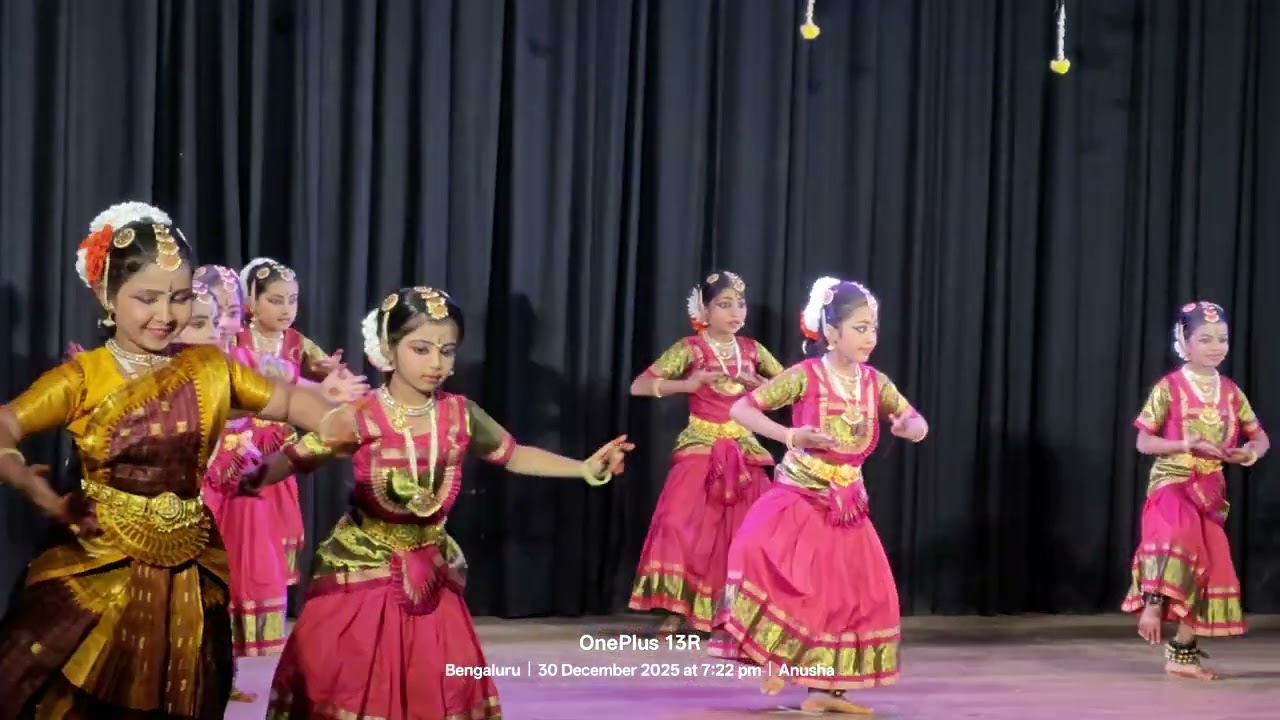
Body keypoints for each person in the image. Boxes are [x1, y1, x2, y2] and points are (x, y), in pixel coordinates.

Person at [0, 202, 357, 719]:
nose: (165, 315)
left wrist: (328, 419)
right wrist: (35, 488)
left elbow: (284, 398)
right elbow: (7, 423)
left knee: (184, 694)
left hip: (190, 565)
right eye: (147, 298)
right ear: (107, 296)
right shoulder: (85, 377)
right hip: (101, 562)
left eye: (180, 297)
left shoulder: (209, 367)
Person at [252, 287, 634, 720]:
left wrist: (582, 468)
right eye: (421, 349)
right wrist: (249, 480)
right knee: (350, 680)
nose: (436, 363)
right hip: (362, 569)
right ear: (389, 350)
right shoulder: (361, 415)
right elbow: (299, 456)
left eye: (447, 351)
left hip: (430, 570)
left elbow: (514, 454)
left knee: (438, 686)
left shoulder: (460, 414)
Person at [710, 277, 928, 715]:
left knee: (855, 598)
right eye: (860, 328)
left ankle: (825, 692)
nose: (870, 338)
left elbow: (916, 421)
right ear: (831, 332)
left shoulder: (875, 383)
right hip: (799, 499)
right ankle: (777, 658)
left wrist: (911, 429)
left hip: (847, 507)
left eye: (873, 328)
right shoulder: (805, 376)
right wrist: (790, 435)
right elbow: (741, 408)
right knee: (789, 580)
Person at [627, 271, 785, 635]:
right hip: (700, 443)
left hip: (744, 446)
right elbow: (639, 385)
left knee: (748, 528)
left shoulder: (753, 350)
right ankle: (678, 606)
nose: (735, 312)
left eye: (740, 304)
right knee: (680, 523)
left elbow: (795, 388)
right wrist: (688, 384)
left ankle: (736, 611)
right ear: (705, 310)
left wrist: (759, 385)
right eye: (724, 304)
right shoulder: (690, 348)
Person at [1121, 301, 1268, 680]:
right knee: (1177, 533)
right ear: (1184, 343)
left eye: (1222, 339)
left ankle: (1181, 653)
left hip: (1210, 488)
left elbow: (1260, 437)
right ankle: (1152, 604)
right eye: (1205, 339)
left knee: (1216, 565)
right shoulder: (1169, 387)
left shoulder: (1231, 392)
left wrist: (1248, 453)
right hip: (1172, 480)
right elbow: (1144, 442)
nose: (1216, 346)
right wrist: (1184, 444)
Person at [232, 257, 345, 583]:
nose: (286, 309)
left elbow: (328, 374)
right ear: (251, 302)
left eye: (292, 300)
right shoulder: (236, 339)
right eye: (276, 300)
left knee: (275, 517)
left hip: (280, 450)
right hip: (239, 444)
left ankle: (268, 589)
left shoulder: (296, 343)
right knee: (243, 518)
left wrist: (332, 373)